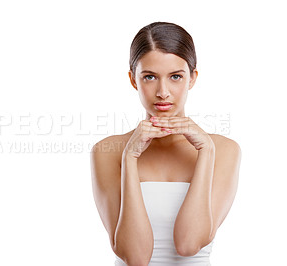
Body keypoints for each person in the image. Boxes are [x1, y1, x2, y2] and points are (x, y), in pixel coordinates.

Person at [90, 21, 242, 266]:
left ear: (192, 78)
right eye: (149, 77)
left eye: (175, 77)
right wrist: (130, 157)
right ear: (133, 80)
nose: (163, 92)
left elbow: (188, 244)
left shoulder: (223, 149)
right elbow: (135, 257)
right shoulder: (108, 151)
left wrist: (205, 151)